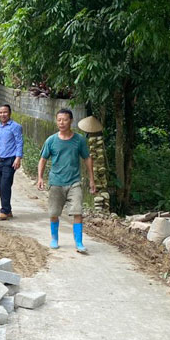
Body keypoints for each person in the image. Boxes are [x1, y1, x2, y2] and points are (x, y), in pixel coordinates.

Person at [37, 108, 96, 253]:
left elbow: (87, 158)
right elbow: (43, 159)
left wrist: (91, 179)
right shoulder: (51, 140)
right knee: (54, 213)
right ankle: (54, 239)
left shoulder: (79, 140)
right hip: (56, 182)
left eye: (64, 119)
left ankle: (79, 242)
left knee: (78, 212)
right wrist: (40, 178)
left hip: (74, 182)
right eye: (59, 120)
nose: (61, 123)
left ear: (71, 121)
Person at [0, 104, 24, 220]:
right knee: (1, 186)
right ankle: (7, 209)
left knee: (5, 185)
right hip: (0, 160)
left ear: (10, 113)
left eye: (5, 112)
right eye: (1, 112)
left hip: (11, 160)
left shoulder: (15, 127)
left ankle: (4, 211)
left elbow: (19, 142)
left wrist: (18, 158)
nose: (3, 114)